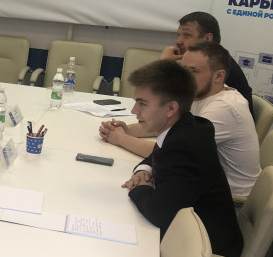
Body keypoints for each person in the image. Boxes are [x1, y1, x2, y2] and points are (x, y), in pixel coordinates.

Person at [120, 60, 242, 257]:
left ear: (170, 108)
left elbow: (160, 213)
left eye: (142, 103)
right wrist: (146, 170)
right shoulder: (188, 126)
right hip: (193, 245)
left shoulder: (184, 145)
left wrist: (138, 190)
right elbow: (157, 153)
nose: (134, 111)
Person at [101, 42, 260, 198]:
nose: (185, 78)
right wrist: (126, 130)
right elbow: (167, 125)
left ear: (218, 76)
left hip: (231, 200)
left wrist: (120, 138)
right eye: (183, 70)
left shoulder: (223, 108)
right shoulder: (202, 93)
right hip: (197, 183)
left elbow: (169, 151)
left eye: (193, 71)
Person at [160, 11, 254, 118]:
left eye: (186, 35)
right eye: (179, 35)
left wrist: (163, 64)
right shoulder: (214, 61)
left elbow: (161, 94)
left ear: (207, 39)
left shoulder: (216, 66)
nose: (178, 42)